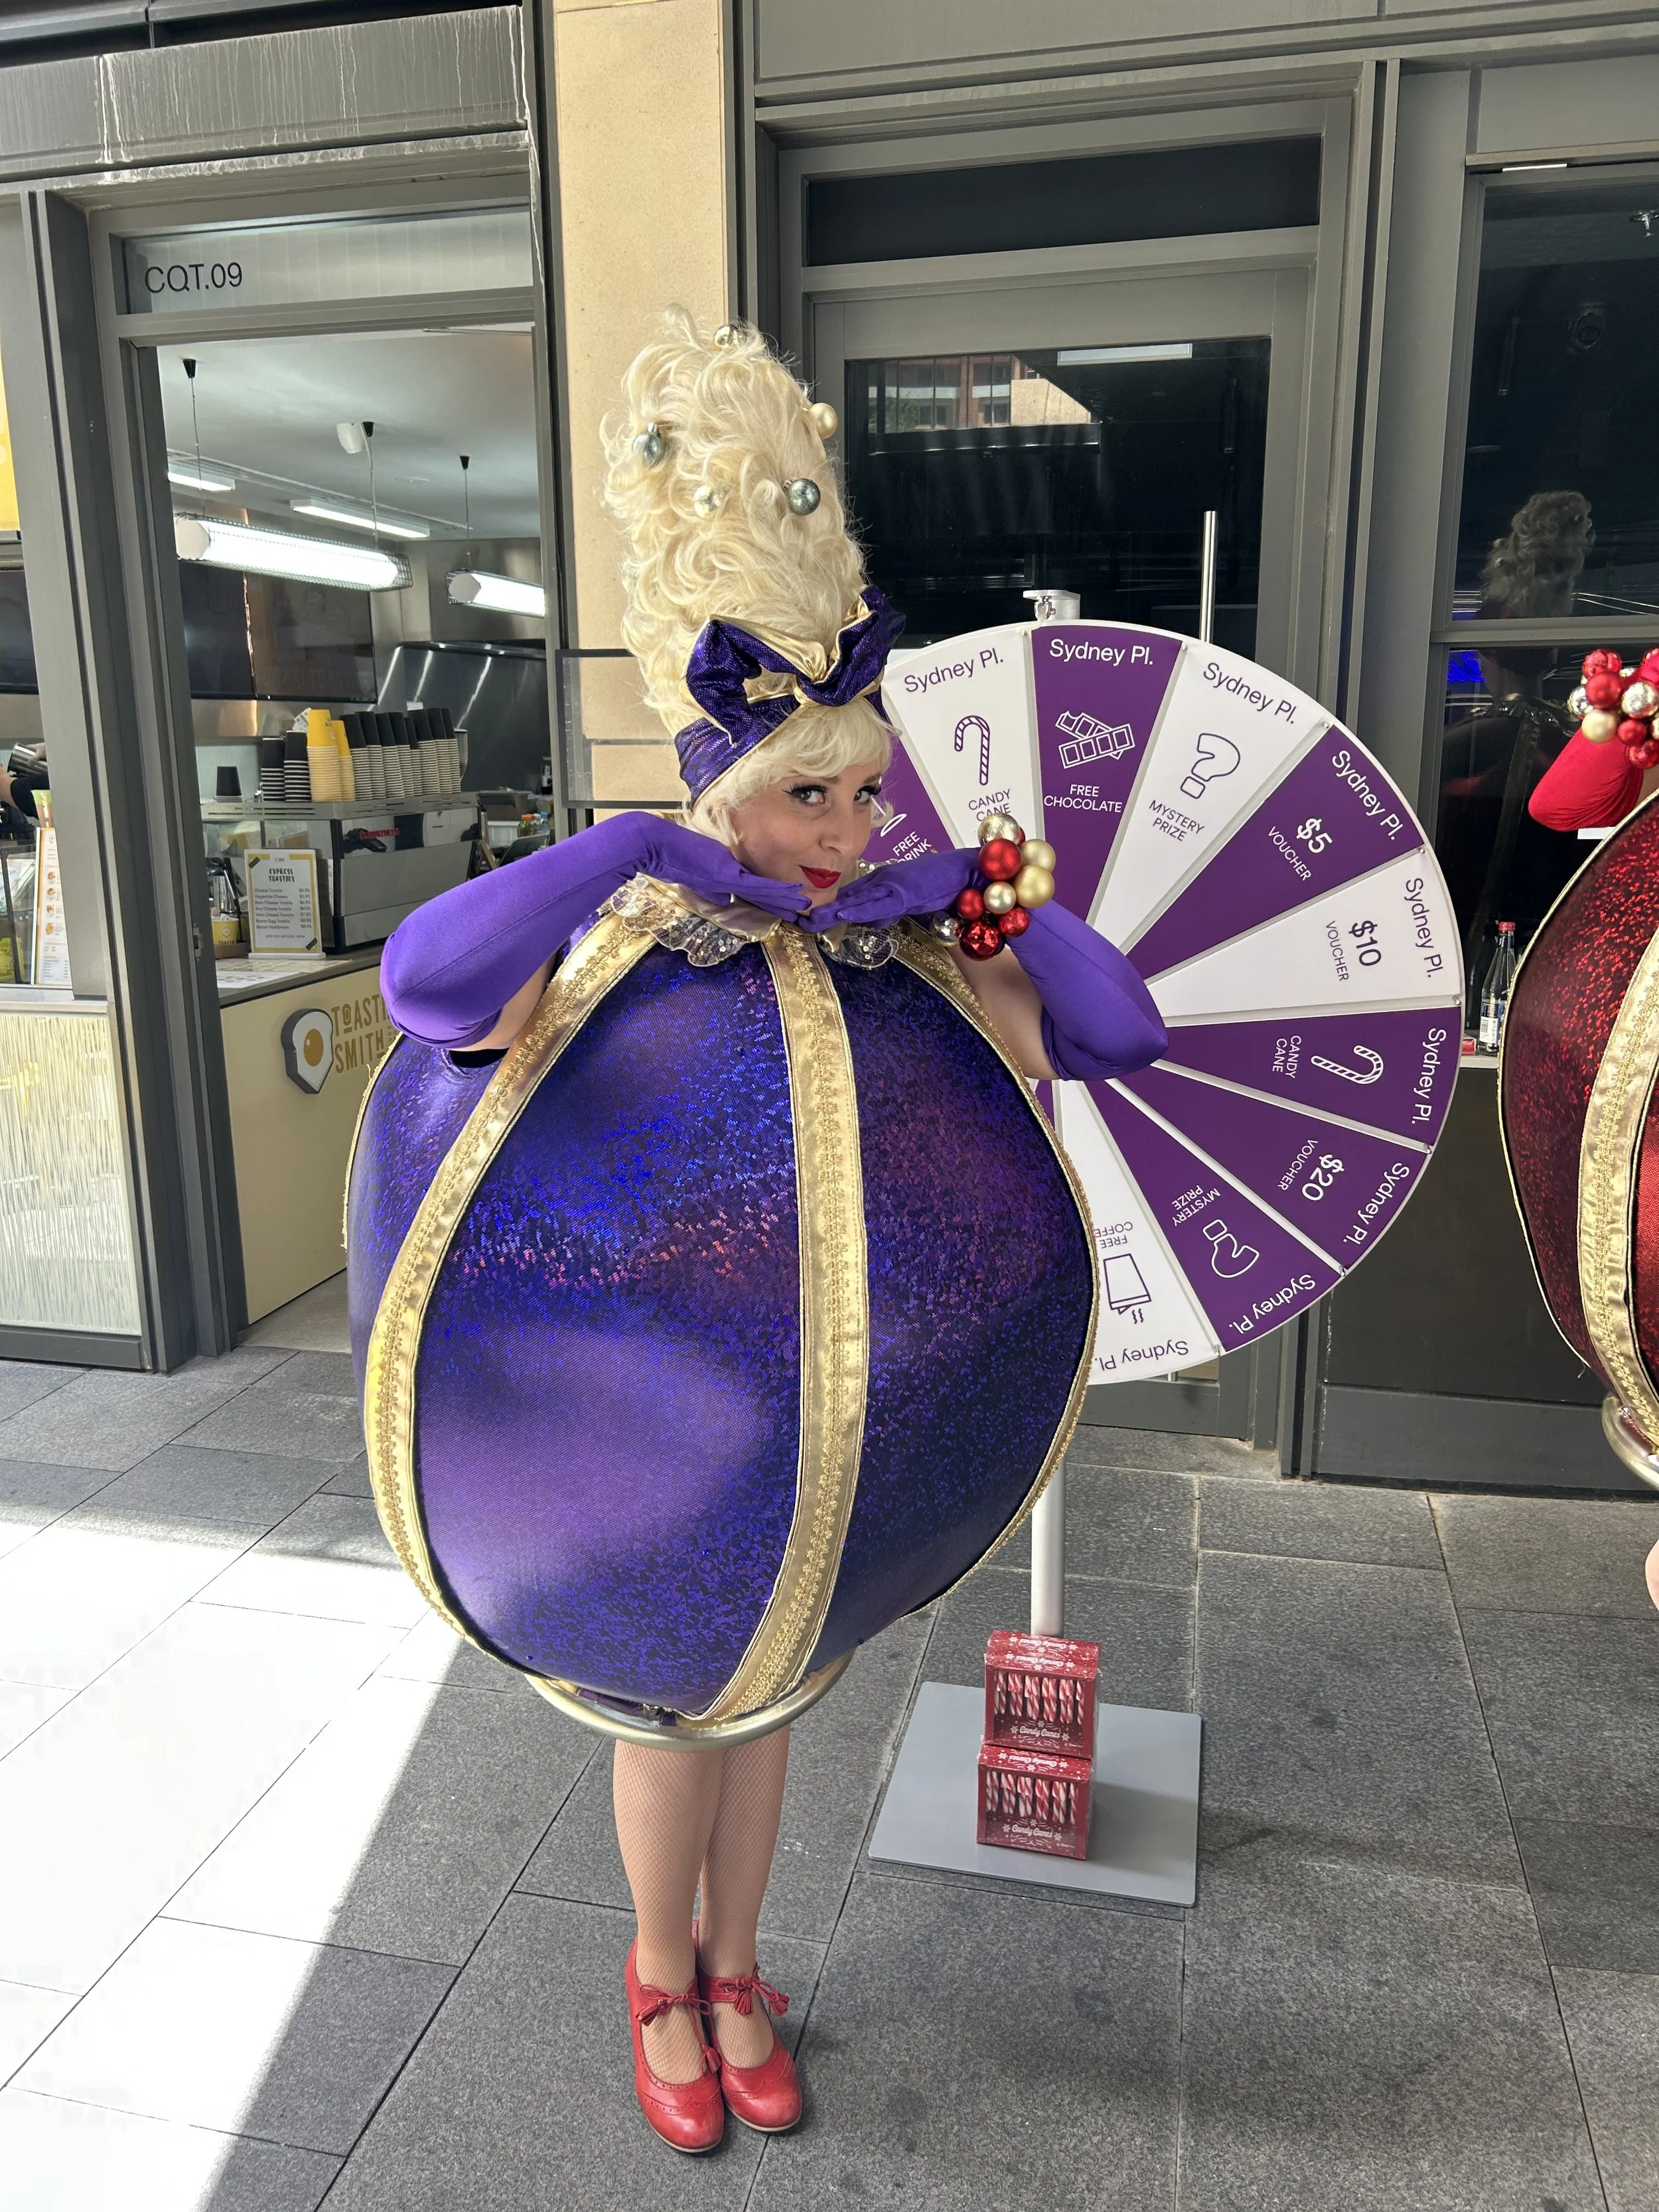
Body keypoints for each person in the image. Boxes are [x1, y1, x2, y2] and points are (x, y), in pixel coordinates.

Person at [374, 312, 1165, 2153]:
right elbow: (428, 979)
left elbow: (1118, 1034)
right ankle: (662, 1973)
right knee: (678, 1711)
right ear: (724, 778)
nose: (841, 823)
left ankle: (738, 1967)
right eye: (806, 790)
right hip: (623, 1427)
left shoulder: (898, 948)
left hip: (817, 1440)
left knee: (773, 1689)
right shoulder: (609, 949)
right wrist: (641, 853)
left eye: (860, 781)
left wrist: (974, 887)